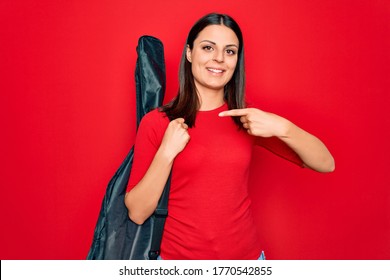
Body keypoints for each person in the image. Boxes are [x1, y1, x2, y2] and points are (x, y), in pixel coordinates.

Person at [124, 13, 335, 260]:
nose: (219, 59)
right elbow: (137, 212)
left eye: (230, 51)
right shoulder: (158, 122)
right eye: (208, 47)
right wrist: (167, 152)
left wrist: (283, 127)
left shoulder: (247, 119)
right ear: (190, 53)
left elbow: (326, 163)